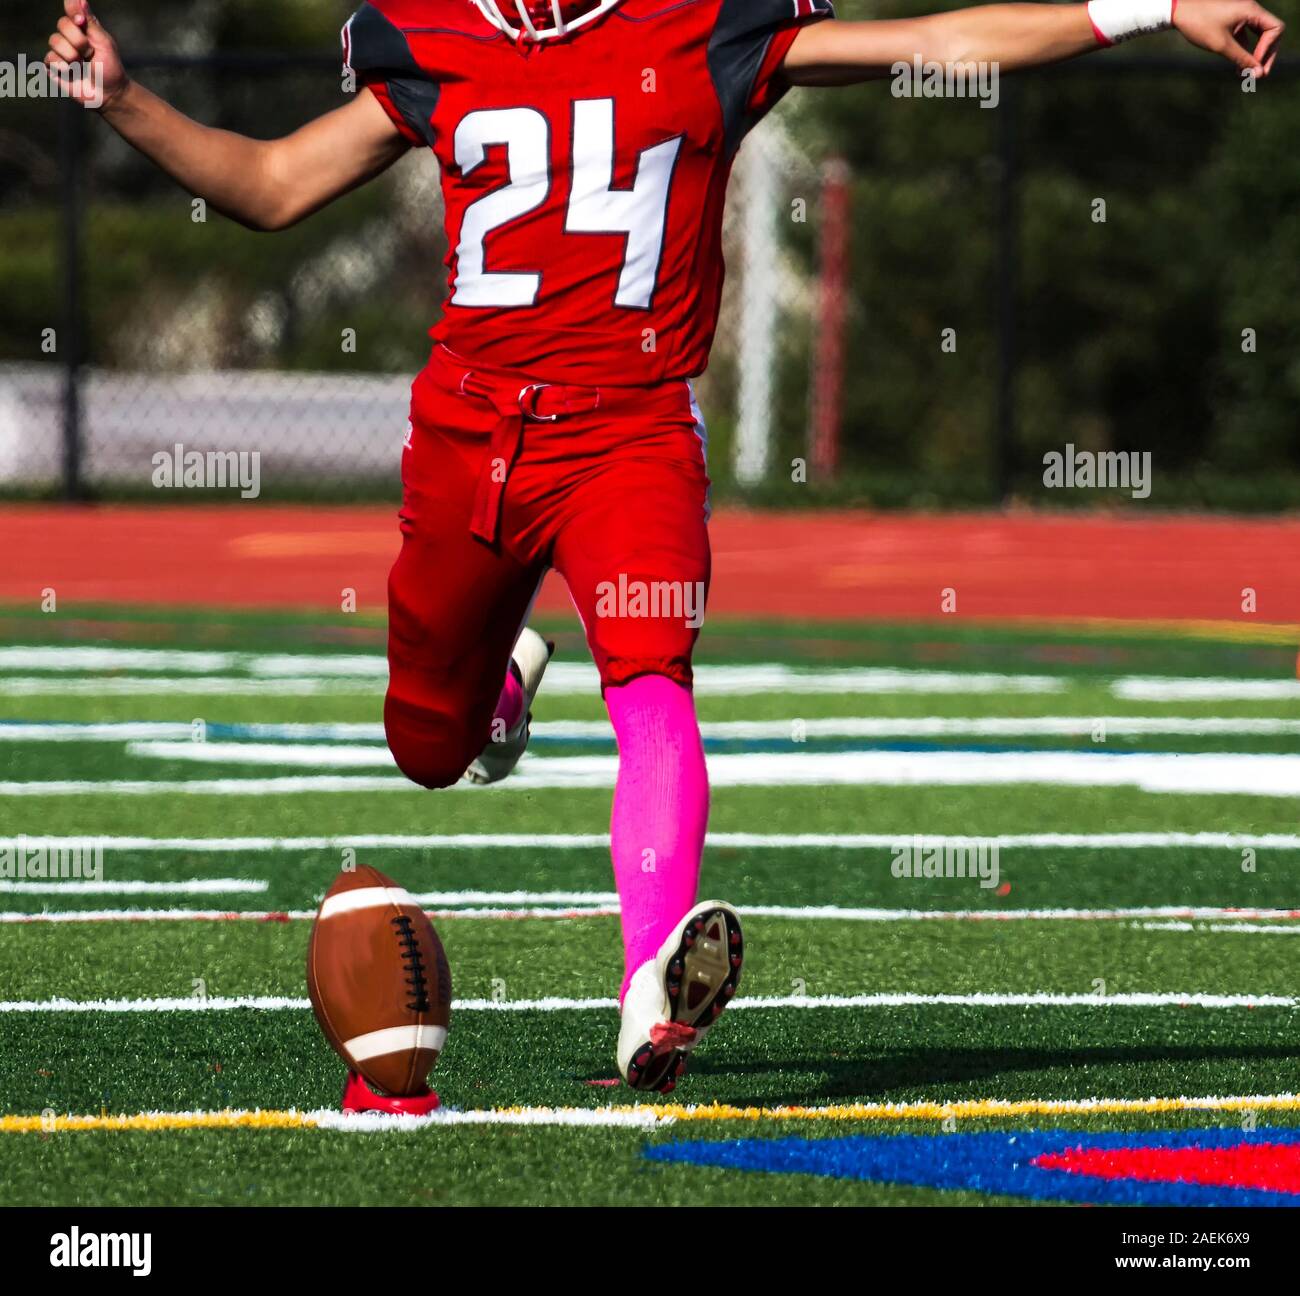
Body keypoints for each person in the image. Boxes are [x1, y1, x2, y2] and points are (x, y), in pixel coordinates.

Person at [43, 0, 1283, 1104]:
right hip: (471, 431)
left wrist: (1146, 5)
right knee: (428, 747)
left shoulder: (706, 25)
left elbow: (927, 43)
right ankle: (505, 683)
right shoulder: (429, 35)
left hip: (633, 432)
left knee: (652, 679)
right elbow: (268, 185)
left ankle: (650, 979)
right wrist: (127, 99)